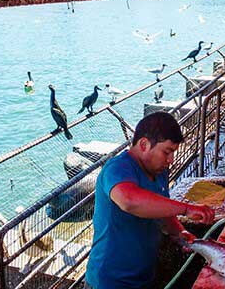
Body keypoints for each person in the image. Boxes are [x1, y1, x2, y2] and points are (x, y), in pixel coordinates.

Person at [85, 112, 215, 289]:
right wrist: (186, 209)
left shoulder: (158, 171)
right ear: (144, 144)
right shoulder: (117, 168)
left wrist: (179, 233)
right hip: (110, 281)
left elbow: (161, 210)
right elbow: (129, 200)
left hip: (144, 276)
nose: (171, 160)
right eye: (166, 152)